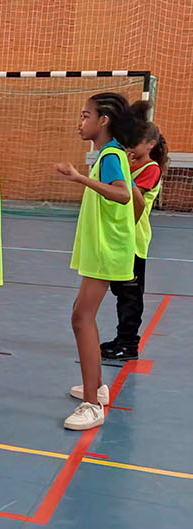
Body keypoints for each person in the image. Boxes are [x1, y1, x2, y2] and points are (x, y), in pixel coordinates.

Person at [52, 93, 146, 431]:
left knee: (81, 318)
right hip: (109, 249)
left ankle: (92, 403)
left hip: (107, 253)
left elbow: (122, 194)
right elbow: (136, 198)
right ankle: (98, 387)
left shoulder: (108, 155)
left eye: (85, 115)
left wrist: (78, 178)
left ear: (103, 120)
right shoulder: (114, 154)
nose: (81, 122)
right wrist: (127, 234)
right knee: (81, 315)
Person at [103, 120, 167, 362]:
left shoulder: (150, 169)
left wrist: (125, 172)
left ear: (150, 144)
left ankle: (129, 343)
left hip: (135, 239)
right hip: (120, 238)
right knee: (121, 292)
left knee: (131, 295)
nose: (129, 146)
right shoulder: (129, 166)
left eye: (136, 142)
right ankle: (121, 338)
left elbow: (133, 198)